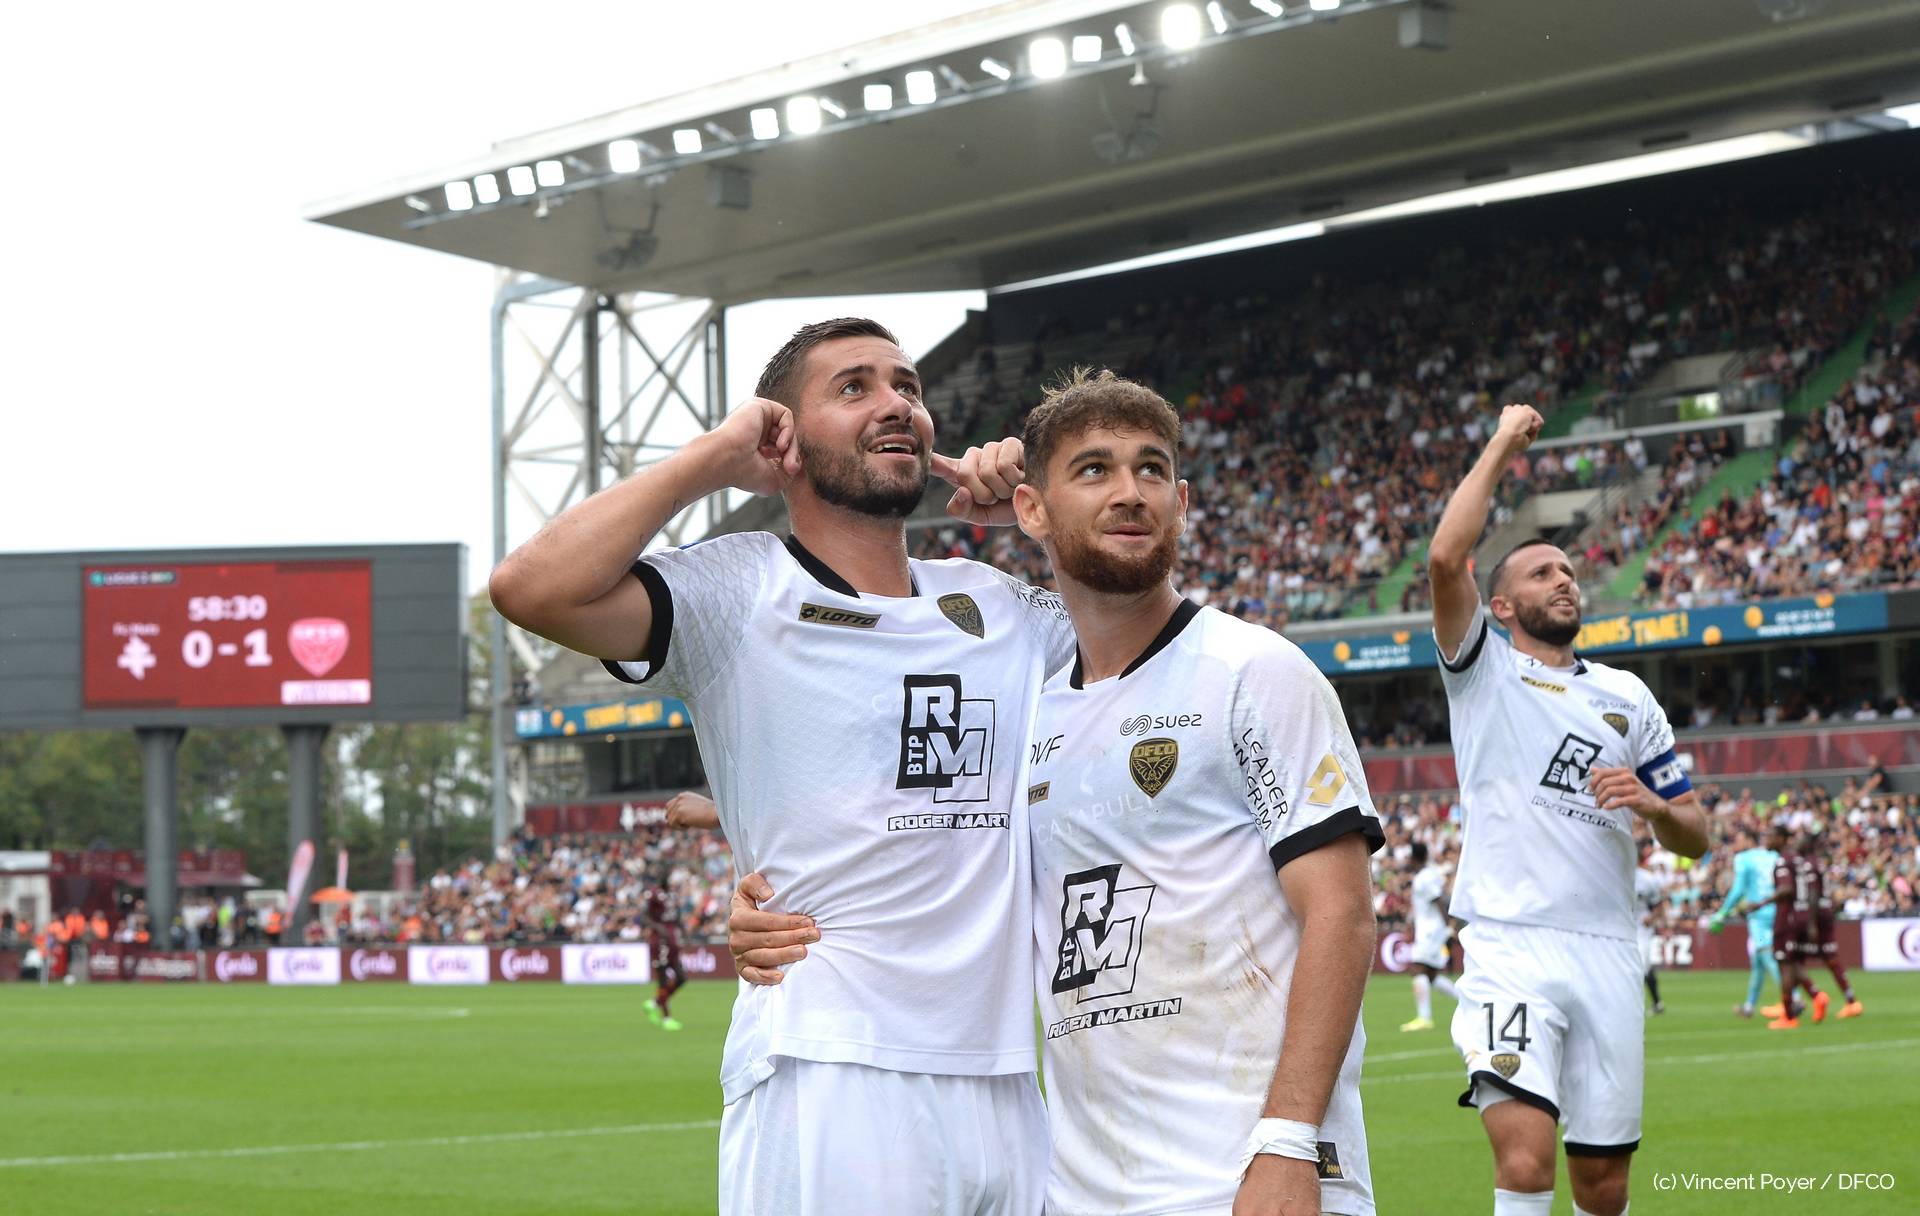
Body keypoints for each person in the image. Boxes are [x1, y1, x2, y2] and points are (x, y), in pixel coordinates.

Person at [740, 369, 1382, 1215]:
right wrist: (760, 871)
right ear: (1031, 510)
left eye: (1152, 471)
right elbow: (917, 810)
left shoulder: (1252, 672)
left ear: (1182, 500)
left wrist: (1290, 1141)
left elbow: (1342, 913)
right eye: (1094, 471)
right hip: (1081, 1189)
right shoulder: (1031, 705)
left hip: (1251, 1175)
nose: (1131, 493)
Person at [490, 317, 1076, 1216]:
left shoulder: (996, 602)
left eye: (908, 387)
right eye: (855, 388)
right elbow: (530, 588)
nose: (897, 405)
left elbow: (1164, 654)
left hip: (1003, 1076)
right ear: (783, 441)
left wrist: (1044, 524)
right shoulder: (738, 589)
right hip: (831, 1066)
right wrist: (711, 461)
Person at [1427, 403, 1709, 1216]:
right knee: (1524, 1157)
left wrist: (1655, 806)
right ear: (1503, 606)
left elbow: (1696, 837)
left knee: (1604, 1184)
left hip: (1608, 950)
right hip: (1510, 943)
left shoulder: (1629, 697)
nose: (1564, 579)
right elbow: (1448, 557)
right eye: (1542, 573)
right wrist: (1504, 445)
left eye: (1569, 571)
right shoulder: (1484, 673)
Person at [1705, 828, 1784, 1019]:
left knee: (1767, 955)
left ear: (1749, 840)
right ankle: (1749, 1006)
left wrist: (1722, 912)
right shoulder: (1773, 855)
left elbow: (1739, 888)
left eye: (1738, 839)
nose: (1735, 844)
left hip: (1758, 913)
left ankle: (1792, 998)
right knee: (1758, 961)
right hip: (1777, 910)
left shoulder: (1744, 858)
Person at [1764, 822, 1821, 1029]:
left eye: (1770, 835)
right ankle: (1816, 996)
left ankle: (1788, 1015)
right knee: (1794, 964)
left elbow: (1786, 889)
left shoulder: (1783, 861)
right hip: (1801, 917)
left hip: (1787, 919)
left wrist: (1761, 903)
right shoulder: (1798, 860)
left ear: (1781, 838)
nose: (1766, 839)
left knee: (1785, 965)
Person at [1803, 829, 1864, 1018]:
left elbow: (1812, 893)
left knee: (1792, 959)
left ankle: (1801, 999)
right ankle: (1851, 1001)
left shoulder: (1809, 864)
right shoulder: (1820, 864)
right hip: (1826, 911)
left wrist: (1810, 922)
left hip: (1816, 914)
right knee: (1831, 960)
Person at [1402, 841, 1461, 1032]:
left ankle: (1424, 1018)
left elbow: (1438, 901)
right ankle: (1468, 1001)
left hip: (1431, 931)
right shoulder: (1429, 875)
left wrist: (1449, 926)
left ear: (1413, 858)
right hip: (1431, 929)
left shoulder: (1423, 878)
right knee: (1432, 976)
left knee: (1417, 969)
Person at [643, 877, 687, 1032]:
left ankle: (654, 1003)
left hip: (672, 940)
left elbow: (677, 916)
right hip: (660, 942)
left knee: (681, 978)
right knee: (663, 980)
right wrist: (658, 928)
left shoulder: (672, 895)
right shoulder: (653, 894)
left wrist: (683, 932)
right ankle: (667, 1018)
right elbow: (645, 916)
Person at [1632, 845, 1666, 1015]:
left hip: (1641, 929)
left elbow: (1659, 906)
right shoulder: (1616, 875)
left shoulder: (1647, 879)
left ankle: (1635, 1007)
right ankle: (1657, 1003)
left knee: (1640, 966)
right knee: (1644, 968)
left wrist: (1651, 918)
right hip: (1621, 927)